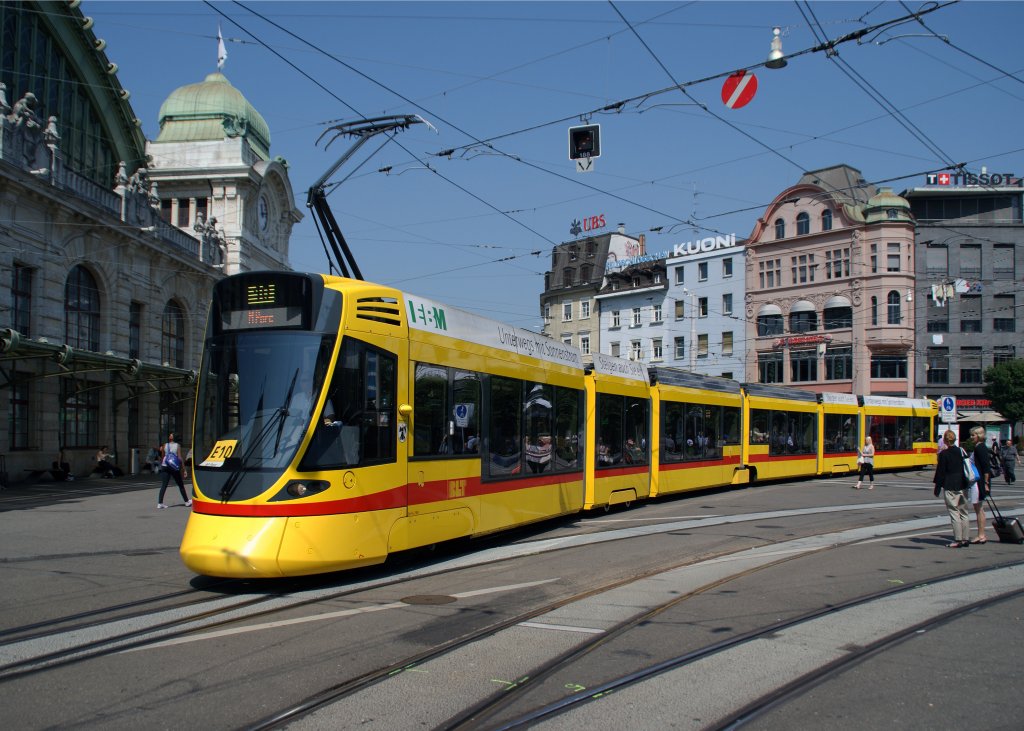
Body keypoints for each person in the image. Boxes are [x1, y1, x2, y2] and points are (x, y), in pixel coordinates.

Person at [933, 430, 970, 548]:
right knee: (964, 512)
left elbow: (941, 472)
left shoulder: (944, 454)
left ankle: (958, 539)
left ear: (944, 440)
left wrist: (937, 487)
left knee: (954, 512)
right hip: (963, 483)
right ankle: (965, 538)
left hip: (950, 484)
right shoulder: (962, 451)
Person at [968, 426, 991, 544]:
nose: (971, 437)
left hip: (979, 482)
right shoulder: (979, 447)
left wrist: (986, 483)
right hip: (978, 482)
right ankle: (981, 534)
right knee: (979, 509)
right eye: (971, 435)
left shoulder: (980, 448)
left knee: (979, 509)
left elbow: (986, 467)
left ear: (979, 436)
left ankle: (981, 535)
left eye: (973, 435)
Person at [157, 432, 191, 509]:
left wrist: (163, 463)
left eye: (171, 435)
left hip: (165, 465)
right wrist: (184, 469)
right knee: (180, 484)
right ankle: (186, 501)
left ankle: (160, 503)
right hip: (173, 466)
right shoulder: (177, 446)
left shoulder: (164, 445)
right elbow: (179, 458)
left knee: (164, 485)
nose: (170, 435)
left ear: (172, 437)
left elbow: (162, 456)